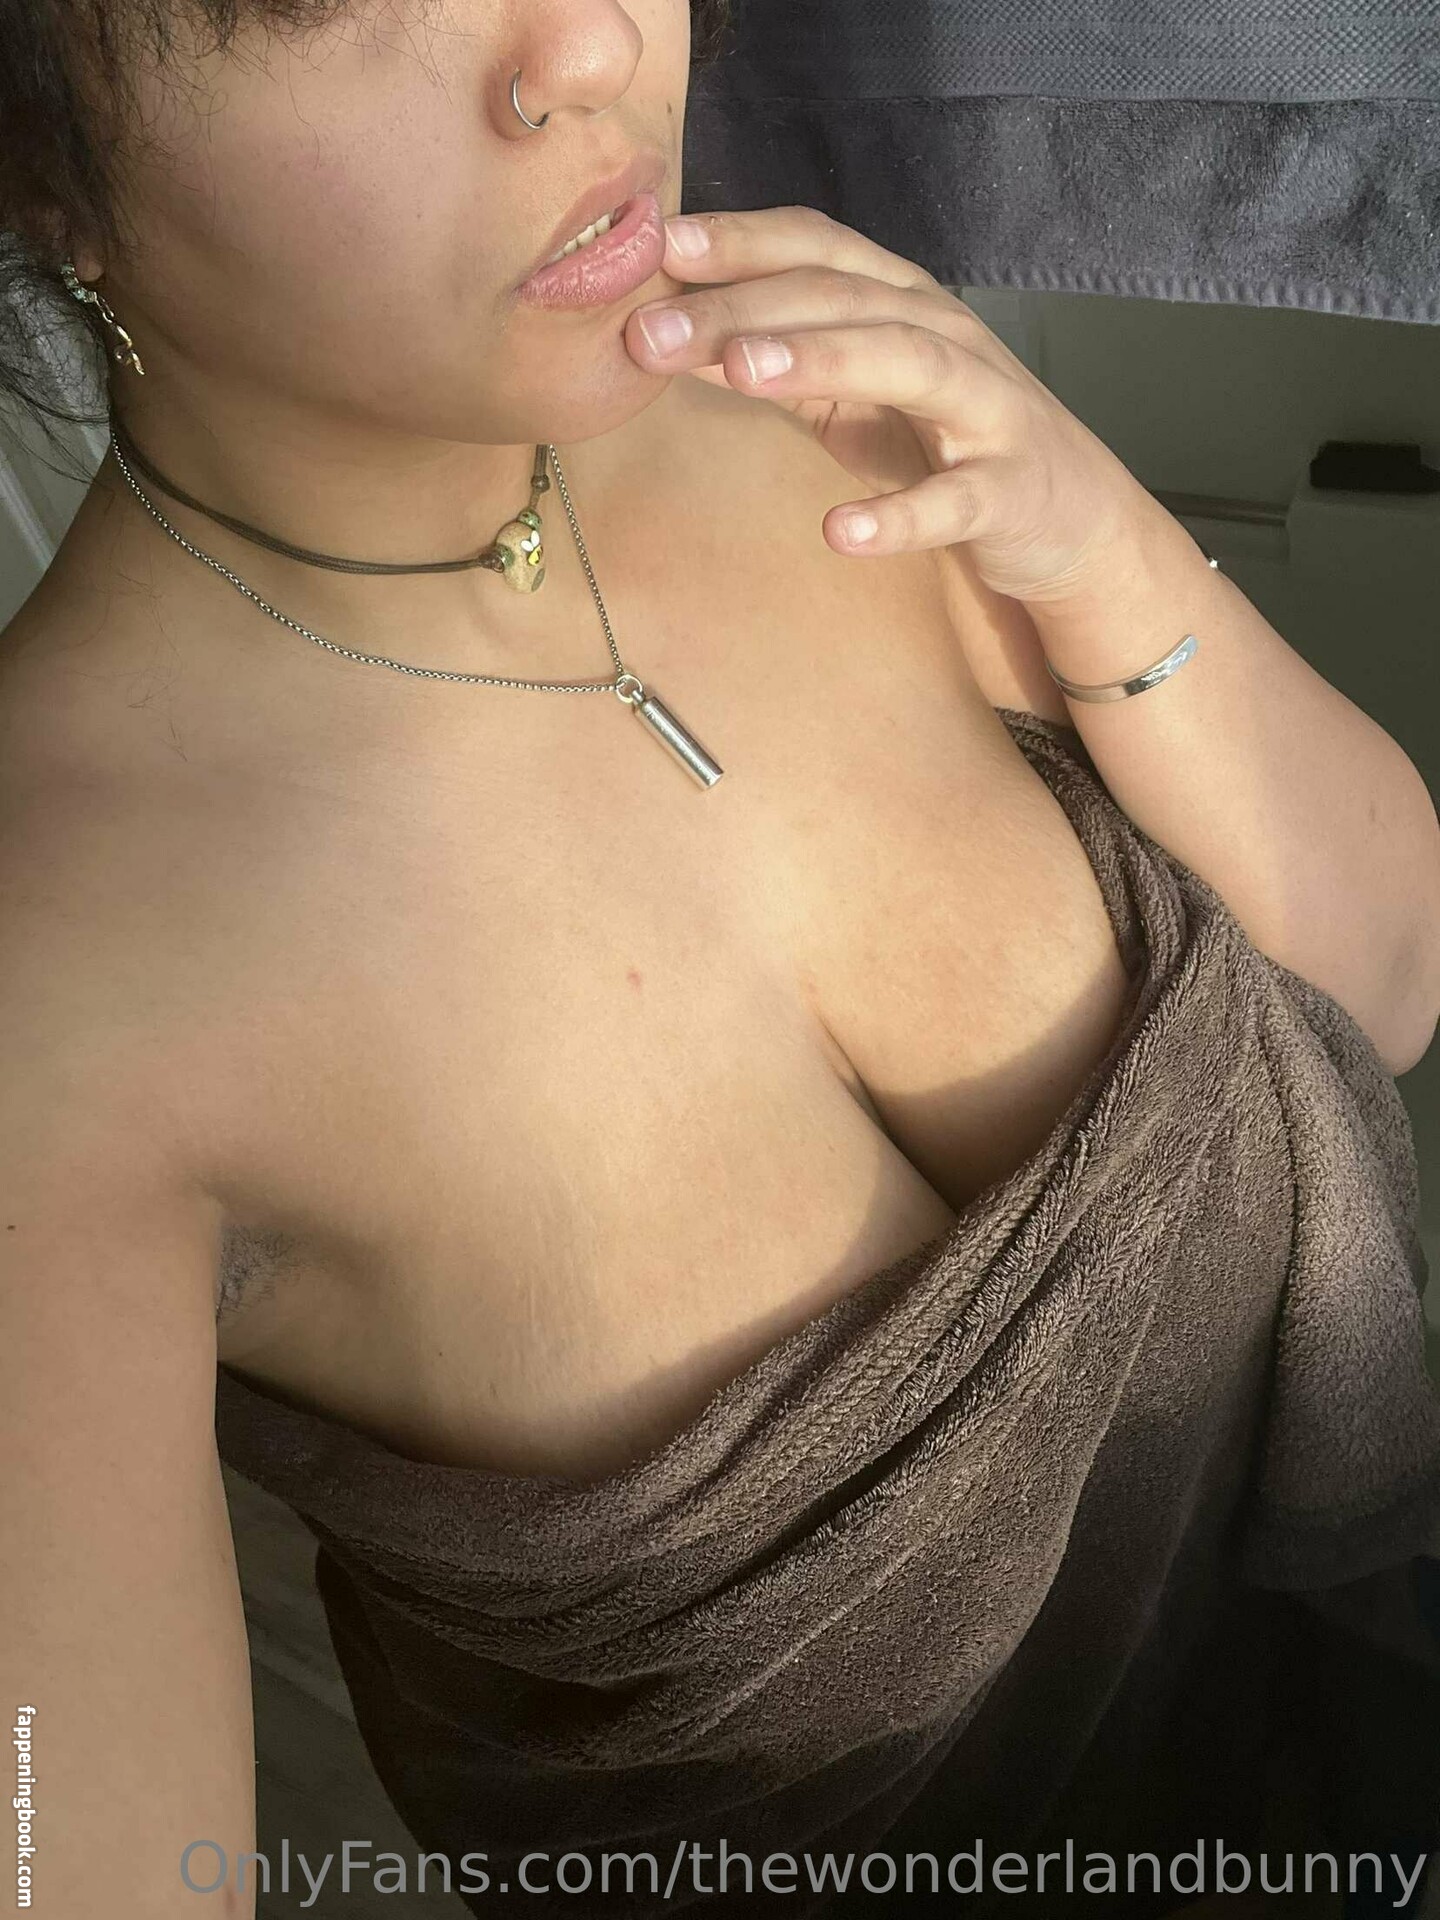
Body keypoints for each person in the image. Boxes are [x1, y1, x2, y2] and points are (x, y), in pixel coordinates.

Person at [2, 4, 1437, 1918]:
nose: (592, 45)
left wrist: (1103, 547)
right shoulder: (52, 988)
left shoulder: (817, 384)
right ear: (40, 170)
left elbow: (1386, 980)